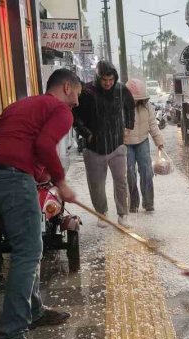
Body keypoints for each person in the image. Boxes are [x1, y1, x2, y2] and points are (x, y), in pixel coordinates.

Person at [0, 69, 80, 339]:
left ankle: (34, 310)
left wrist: (41, 174)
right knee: (29, 253)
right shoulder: (60, 109)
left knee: (24, 249)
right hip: (10, 178)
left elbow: (23, 144)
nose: (76, 103)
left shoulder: (23, 105)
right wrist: (61, 181)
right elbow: (45, 146)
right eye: (77, 96)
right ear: (67, 87)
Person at [72, 61, 135, 227]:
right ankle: (102, 213)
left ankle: (123, 214)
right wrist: (88, 135)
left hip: (117, 145)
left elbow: (130, 107)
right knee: (96, 184)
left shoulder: (121, 90)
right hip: (94, 148)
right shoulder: (86, 92)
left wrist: (128, 127)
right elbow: (75, 117)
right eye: (104, 80)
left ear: (115, 78)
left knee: (121, 181)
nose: (108, 83)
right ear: (98, 78)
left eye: (111, 79)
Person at [124, 79, 166, 212]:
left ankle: (148, 203)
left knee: (147, 171)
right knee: (129, 173)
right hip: (125, 143)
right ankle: (133, 203)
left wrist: (159, 142)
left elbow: (153, 124)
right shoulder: (120, 106)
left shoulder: (147, 105)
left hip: (142, 141)